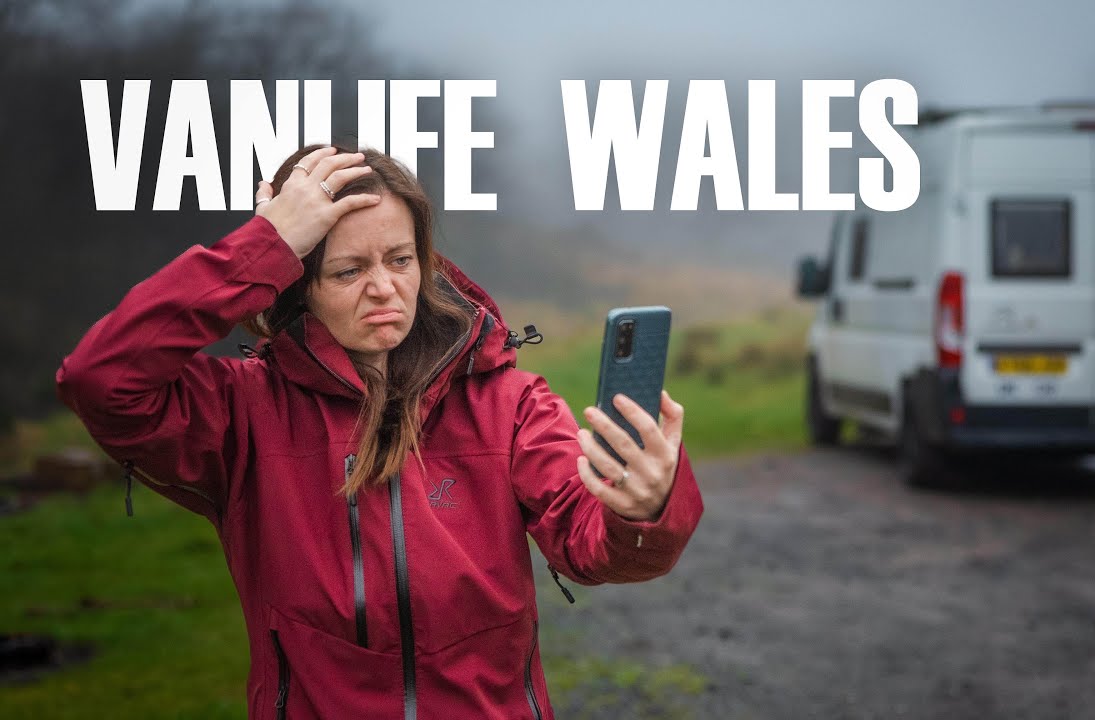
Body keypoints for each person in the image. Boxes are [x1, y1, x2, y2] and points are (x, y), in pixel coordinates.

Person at [56, 145, 703, 719]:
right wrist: (262, 244)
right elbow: (100, 379)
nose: (384, 288)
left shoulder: (507, 402)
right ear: (299, 283)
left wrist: (643, 508)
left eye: (399, 259)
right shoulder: (241, 413)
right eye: (346, 271)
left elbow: (595, 546)